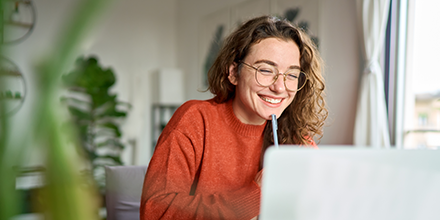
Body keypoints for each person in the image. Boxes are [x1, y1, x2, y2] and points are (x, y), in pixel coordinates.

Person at [140, 15, 327, 220]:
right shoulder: (195, 120)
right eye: (265, 70)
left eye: (291, 75)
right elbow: (156, 213)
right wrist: (256, 195)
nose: (279, 87)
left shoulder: (296, 139)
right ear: (234, 73)